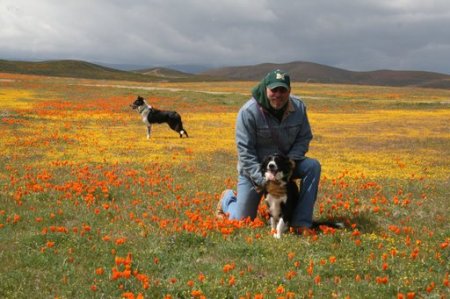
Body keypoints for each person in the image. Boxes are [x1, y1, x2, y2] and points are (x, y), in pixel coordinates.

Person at [216, 69, 321, 229]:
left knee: (312, 166)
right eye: (274, 90)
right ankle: (227, 199)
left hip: (284, 165)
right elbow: (245, 153)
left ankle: (301, 223)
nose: (278, 94)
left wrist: (289, 164)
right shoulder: (248, 112)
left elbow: (304, 138)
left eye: (283, 90)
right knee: (241, 221)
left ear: (289, 91)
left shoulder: (299, 108)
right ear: (266, 88)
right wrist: (264, 181)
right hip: (255, 171)